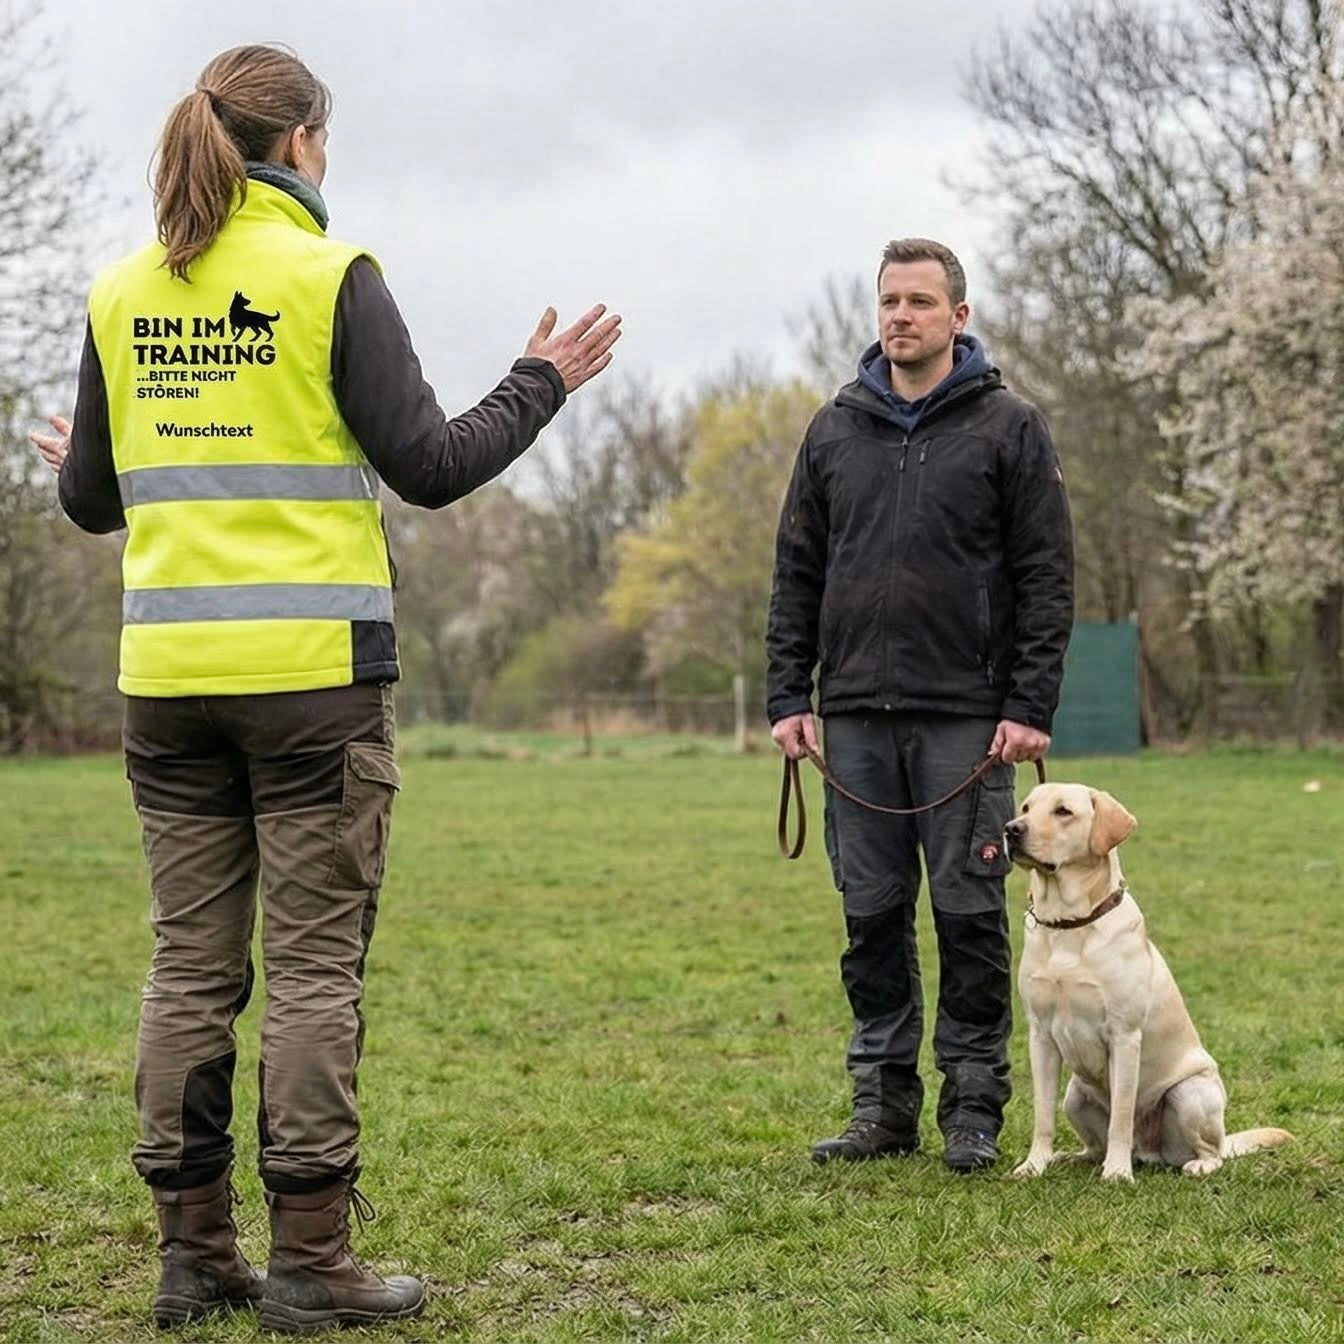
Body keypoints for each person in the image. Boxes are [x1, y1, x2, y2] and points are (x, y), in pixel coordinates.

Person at [30, 43, 619, 1333]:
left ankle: (191, 1256)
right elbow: (430, 463)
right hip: (312, 687)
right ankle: (310, 1257)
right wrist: (544, 383)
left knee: (188, 966)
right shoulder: (330, 275)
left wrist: (112, 453)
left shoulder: (124, 292)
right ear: (299, 145)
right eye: (328, 141)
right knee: (308, 971)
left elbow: (87, 501)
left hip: (167, 686)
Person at [765, 237, 1073, 1174]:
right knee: (871, 918)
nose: (901, 316)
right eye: (890, 301)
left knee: (970, 916)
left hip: (969, 724)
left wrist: (1027, 702)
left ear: (959, 318)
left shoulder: (1008, 427)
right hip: (852, 716)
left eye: (921, 303)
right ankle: (881, 1107)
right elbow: (796, 573)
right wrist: (790, 695)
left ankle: (973, 1109)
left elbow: (1046, 575)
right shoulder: (834, 429)